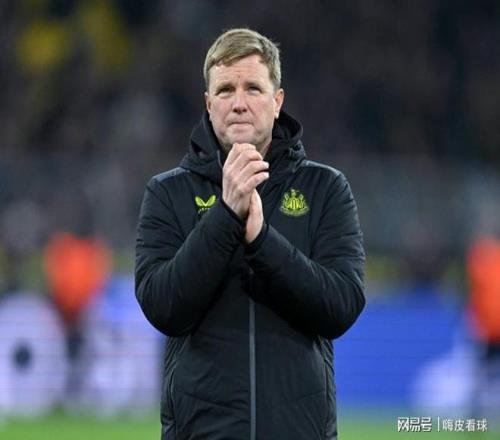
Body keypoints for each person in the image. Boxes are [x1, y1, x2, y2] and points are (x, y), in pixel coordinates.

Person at [135, 28, 365, 440]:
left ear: (277, 102)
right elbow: (162, 306)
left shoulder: (326, 189)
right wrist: (226, 216)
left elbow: (341, 305)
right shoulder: (167, 193)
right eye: (225, 90)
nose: (238, 103)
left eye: (253, 88)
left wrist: (262, 240)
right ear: (208, 105)